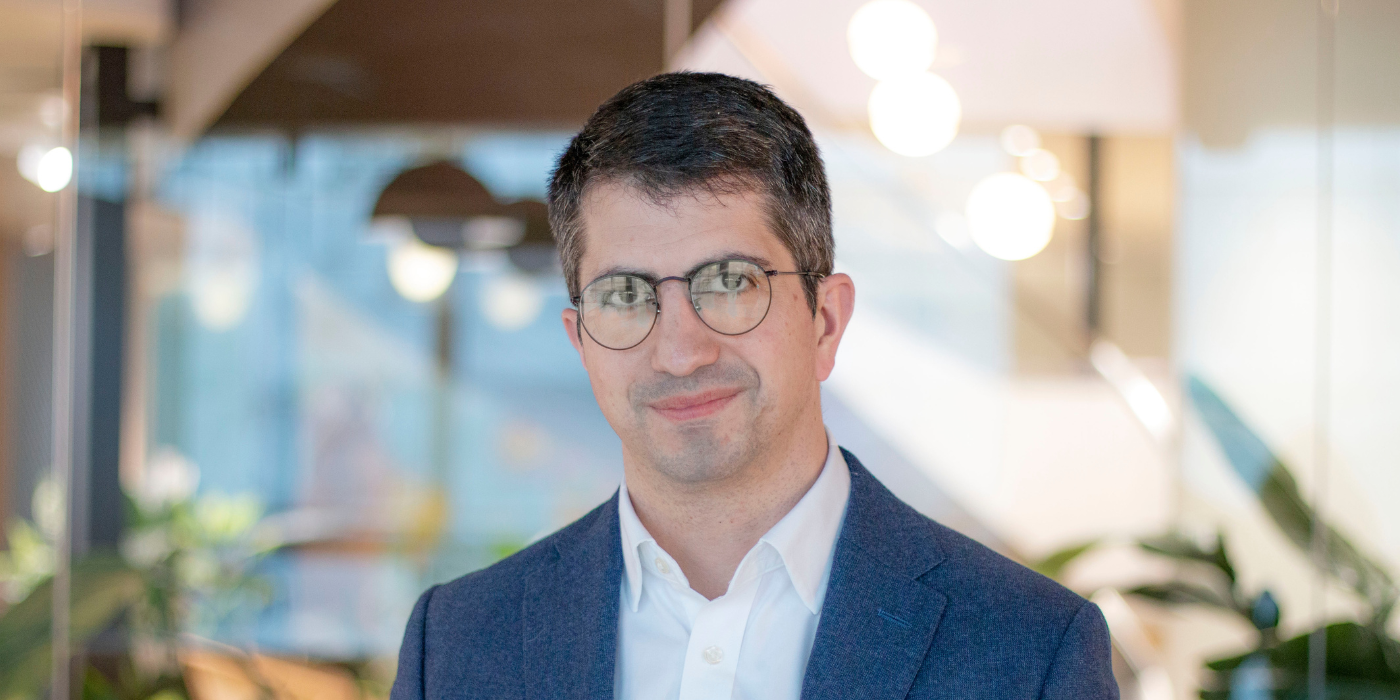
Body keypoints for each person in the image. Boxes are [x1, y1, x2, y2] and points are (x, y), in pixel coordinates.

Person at [390, 72, 1118, 700]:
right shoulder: (455, 647)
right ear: (581, 342)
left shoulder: (1030, 652)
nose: (679, 351)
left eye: (731, 283)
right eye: (623, 294)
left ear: (826, 320)